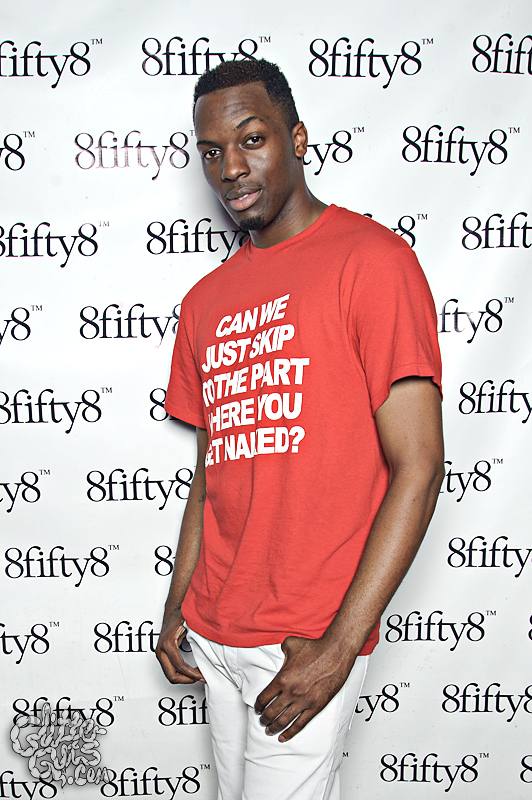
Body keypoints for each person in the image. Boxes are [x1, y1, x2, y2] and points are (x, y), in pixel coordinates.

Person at [156, 59, 444, 800]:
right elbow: (211, 473)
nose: (230, 168)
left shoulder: (373, 261)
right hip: (214, 629)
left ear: (299, 137)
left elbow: (419, 466)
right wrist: (178, 604)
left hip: (302, 639)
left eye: (251, 139)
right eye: (212, 151)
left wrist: (339, 648)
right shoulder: (205, 301)